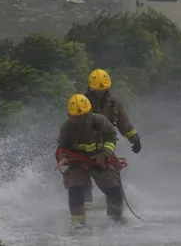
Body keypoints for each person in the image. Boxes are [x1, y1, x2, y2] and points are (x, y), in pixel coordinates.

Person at [56, 94, 126, 230]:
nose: (77, 120)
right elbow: (61, 147)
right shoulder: (66, 128)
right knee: (75, 191)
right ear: (69, 115)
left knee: (114, 191)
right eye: (74, 116)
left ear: (88, 112)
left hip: (100, 160)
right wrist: (62, 158)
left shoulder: (100, 121)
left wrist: (104, 154)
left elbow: (112, 138)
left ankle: (116, 221)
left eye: (81, 116)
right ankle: (78, 227)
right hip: (77, 163)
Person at [83, 68, 141, 210]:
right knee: (81, 182)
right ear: (90, 89)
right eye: (96, 91)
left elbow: (124, 124)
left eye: (102, 91)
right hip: (83, 149)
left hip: (105, 148)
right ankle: (82, 217)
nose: (99, 93)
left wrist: (135, 140)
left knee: (113, 185)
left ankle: (115, 218)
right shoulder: (83, 102)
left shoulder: (115, 103)